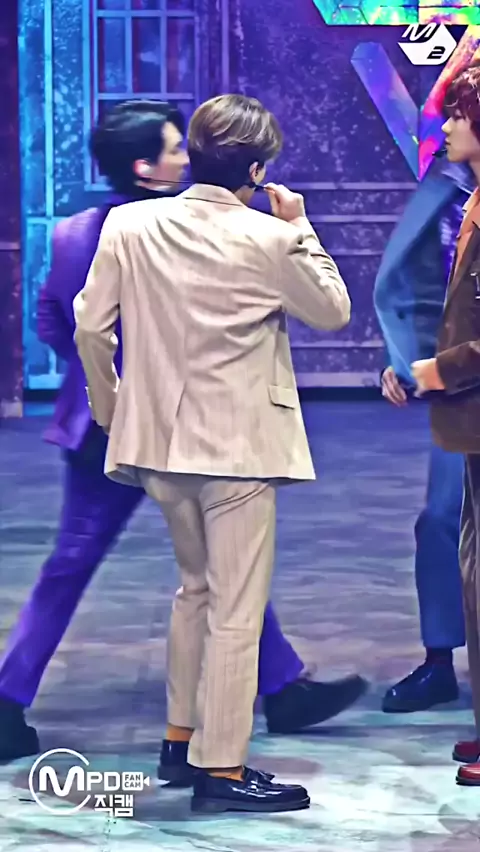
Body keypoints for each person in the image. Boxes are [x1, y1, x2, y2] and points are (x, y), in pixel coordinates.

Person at [0, 100, 366, 767]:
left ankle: (251, 699)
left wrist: (112, 396)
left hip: (127, 427)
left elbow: (65, 322)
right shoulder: (229, 231)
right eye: (172, 149)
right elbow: (329, 309)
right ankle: (220, 758)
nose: (181, 158)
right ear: (144, 167)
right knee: (219, 578)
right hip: (196, 428)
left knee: (193, 577)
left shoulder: (89, 230)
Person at [374, 155, 469, 713]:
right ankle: (439, 661)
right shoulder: (448, 185)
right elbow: (424, 285)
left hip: (461, 371)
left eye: (457, 116)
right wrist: (407, 360)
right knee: (441, 520)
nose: (444, 128)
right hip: (463, 388)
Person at [412, 63, 480, 786]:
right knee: (470, 561)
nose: (447, 125)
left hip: (469, 395)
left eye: (459, 116)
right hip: (469, 415)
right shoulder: (469, 200)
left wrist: (438, 371)